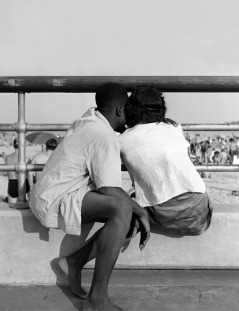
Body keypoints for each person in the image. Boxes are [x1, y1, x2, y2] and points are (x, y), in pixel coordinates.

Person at [29, 83, 150, 311]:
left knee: (126, 210)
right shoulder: (104, 135)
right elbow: (110, 191)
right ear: (119, 110)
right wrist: (141, 210)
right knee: (124, 209)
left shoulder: (88, 121)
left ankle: (73, 263)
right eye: (128, 110)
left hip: (47, 194)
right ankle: (96, 301)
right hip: (55, 200)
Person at [119, 87, 212, 238]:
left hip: (163, 217)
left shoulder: (122, 140)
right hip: (201, 212)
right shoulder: (174, 128)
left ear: (130, 110)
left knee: (125, 204)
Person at [4, 138, 31, 203]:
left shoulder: (7, 158)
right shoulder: (28, 159)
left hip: (12, 183)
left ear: (13, 145)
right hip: (24, 183)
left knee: (11, 208)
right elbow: (30, 175)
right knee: (27, 208)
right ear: (23, 146)